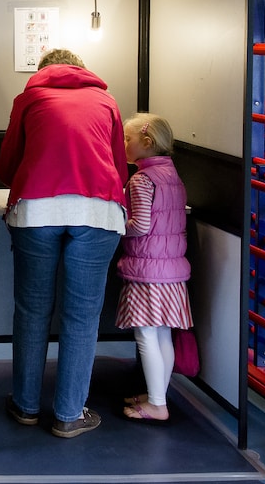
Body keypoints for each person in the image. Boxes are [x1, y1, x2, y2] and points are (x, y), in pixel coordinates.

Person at [0, 48, 127, 439]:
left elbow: (6, 167)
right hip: (97, 213)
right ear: (81, 69)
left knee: (32, 311)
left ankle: (25, 406)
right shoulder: (106, 101)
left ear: (43, 71)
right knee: (82, 317)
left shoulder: (30, 98)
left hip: (36, 212)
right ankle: (69, 415)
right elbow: (119, 168)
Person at [115, 113, 192, 424]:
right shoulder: (172, 176)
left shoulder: (141, 179)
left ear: (146, 144)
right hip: (171, 269)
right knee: (162, 335)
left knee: (146, 335)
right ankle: (158, 394)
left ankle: (157, 405)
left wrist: (116, 224)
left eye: (127, 139)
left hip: (147, 270)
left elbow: (141, 225)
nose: (123, 145)